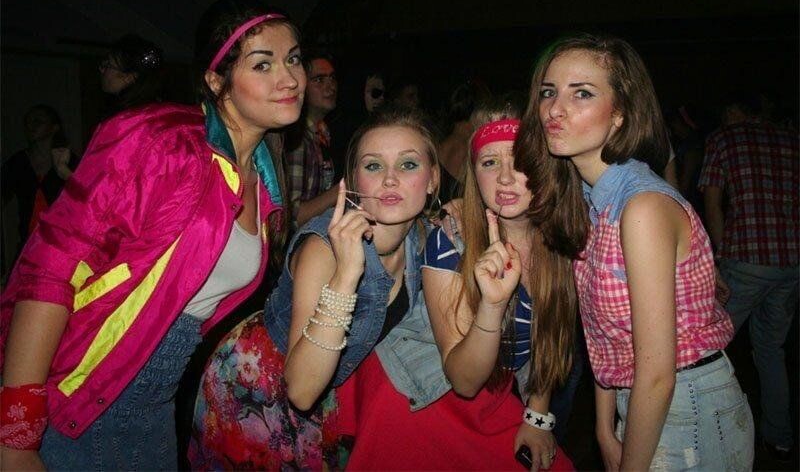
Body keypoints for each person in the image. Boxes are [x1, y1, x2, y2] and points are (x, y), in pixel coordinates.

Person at [0, 0, 302, 469]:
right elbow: (52, 266)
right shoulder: (161, 140)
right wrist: (17, 436)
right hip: (79, 401)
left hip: (155, 409)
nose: (290, 79)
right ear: (216, 79)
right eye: (263, 64)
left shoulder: (264, 185)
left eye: (293, 59)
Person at [515, 33, 754, 470]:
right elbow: (605, 335)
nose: (554, 109)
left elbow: (658, 373)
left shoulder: (641, 207)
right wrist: (604, 429)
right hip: (644, 401)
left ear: (620, 114)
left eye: (581, 93)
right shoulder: (591, 200)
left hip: (687, 406)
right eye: (549, 92)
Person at [188, 105, 441, 470]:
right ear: (352, 182)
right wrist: (346, 277)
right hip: (258, 385)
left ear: (433, 179)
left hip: (331, 401)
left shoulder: (423, 235)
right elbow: (303, 392)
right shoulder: (323, 250)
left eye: (408, 164)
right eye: (373, 166)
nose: (390, 179)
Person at [362, 98, 574, 471]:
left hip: (500, 394)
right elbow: (463, 379)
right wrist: (492, 304)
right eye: (489, 162)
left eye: (520, 159)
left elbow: (550, 337)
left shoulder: (564, 242)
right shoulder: (451, 241)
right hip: (428, 400)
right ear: (474, 174)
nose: (505, 177)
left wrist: (538, 416)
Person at [698, 95, 798, 460]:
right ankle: (779, 438)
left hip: (746, 258)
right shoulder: (792, 140)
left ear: (732, 110)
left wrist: (719, 255)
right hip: (792, 261)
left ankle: (707, 438)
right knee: (771, 349)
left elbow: (712, 199)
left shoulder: (725, 138)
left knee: (707, 349)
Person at [2, 105, 78, 247]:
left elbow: (85, 198)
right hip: (29, 245)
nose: (32, 125)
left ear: (54, 127)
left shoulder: (68, 161)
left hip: (63, 244)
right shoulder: (18, 162)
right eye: (28, 122)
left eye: (38, 121)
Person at [285, 53, 340, 228]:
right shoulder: (297, 140)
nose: (330, 86)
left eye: (332, 78)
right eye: (319, 80)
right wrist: (342, 190)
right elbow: (292, 217)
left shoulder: (323, 131)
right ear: (301, 85)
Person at [98, 33, 164, 115]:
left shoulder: (129, 117)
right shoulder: (154, 110)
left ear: (129, 77)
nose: (101, 69)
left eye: (108, 65)